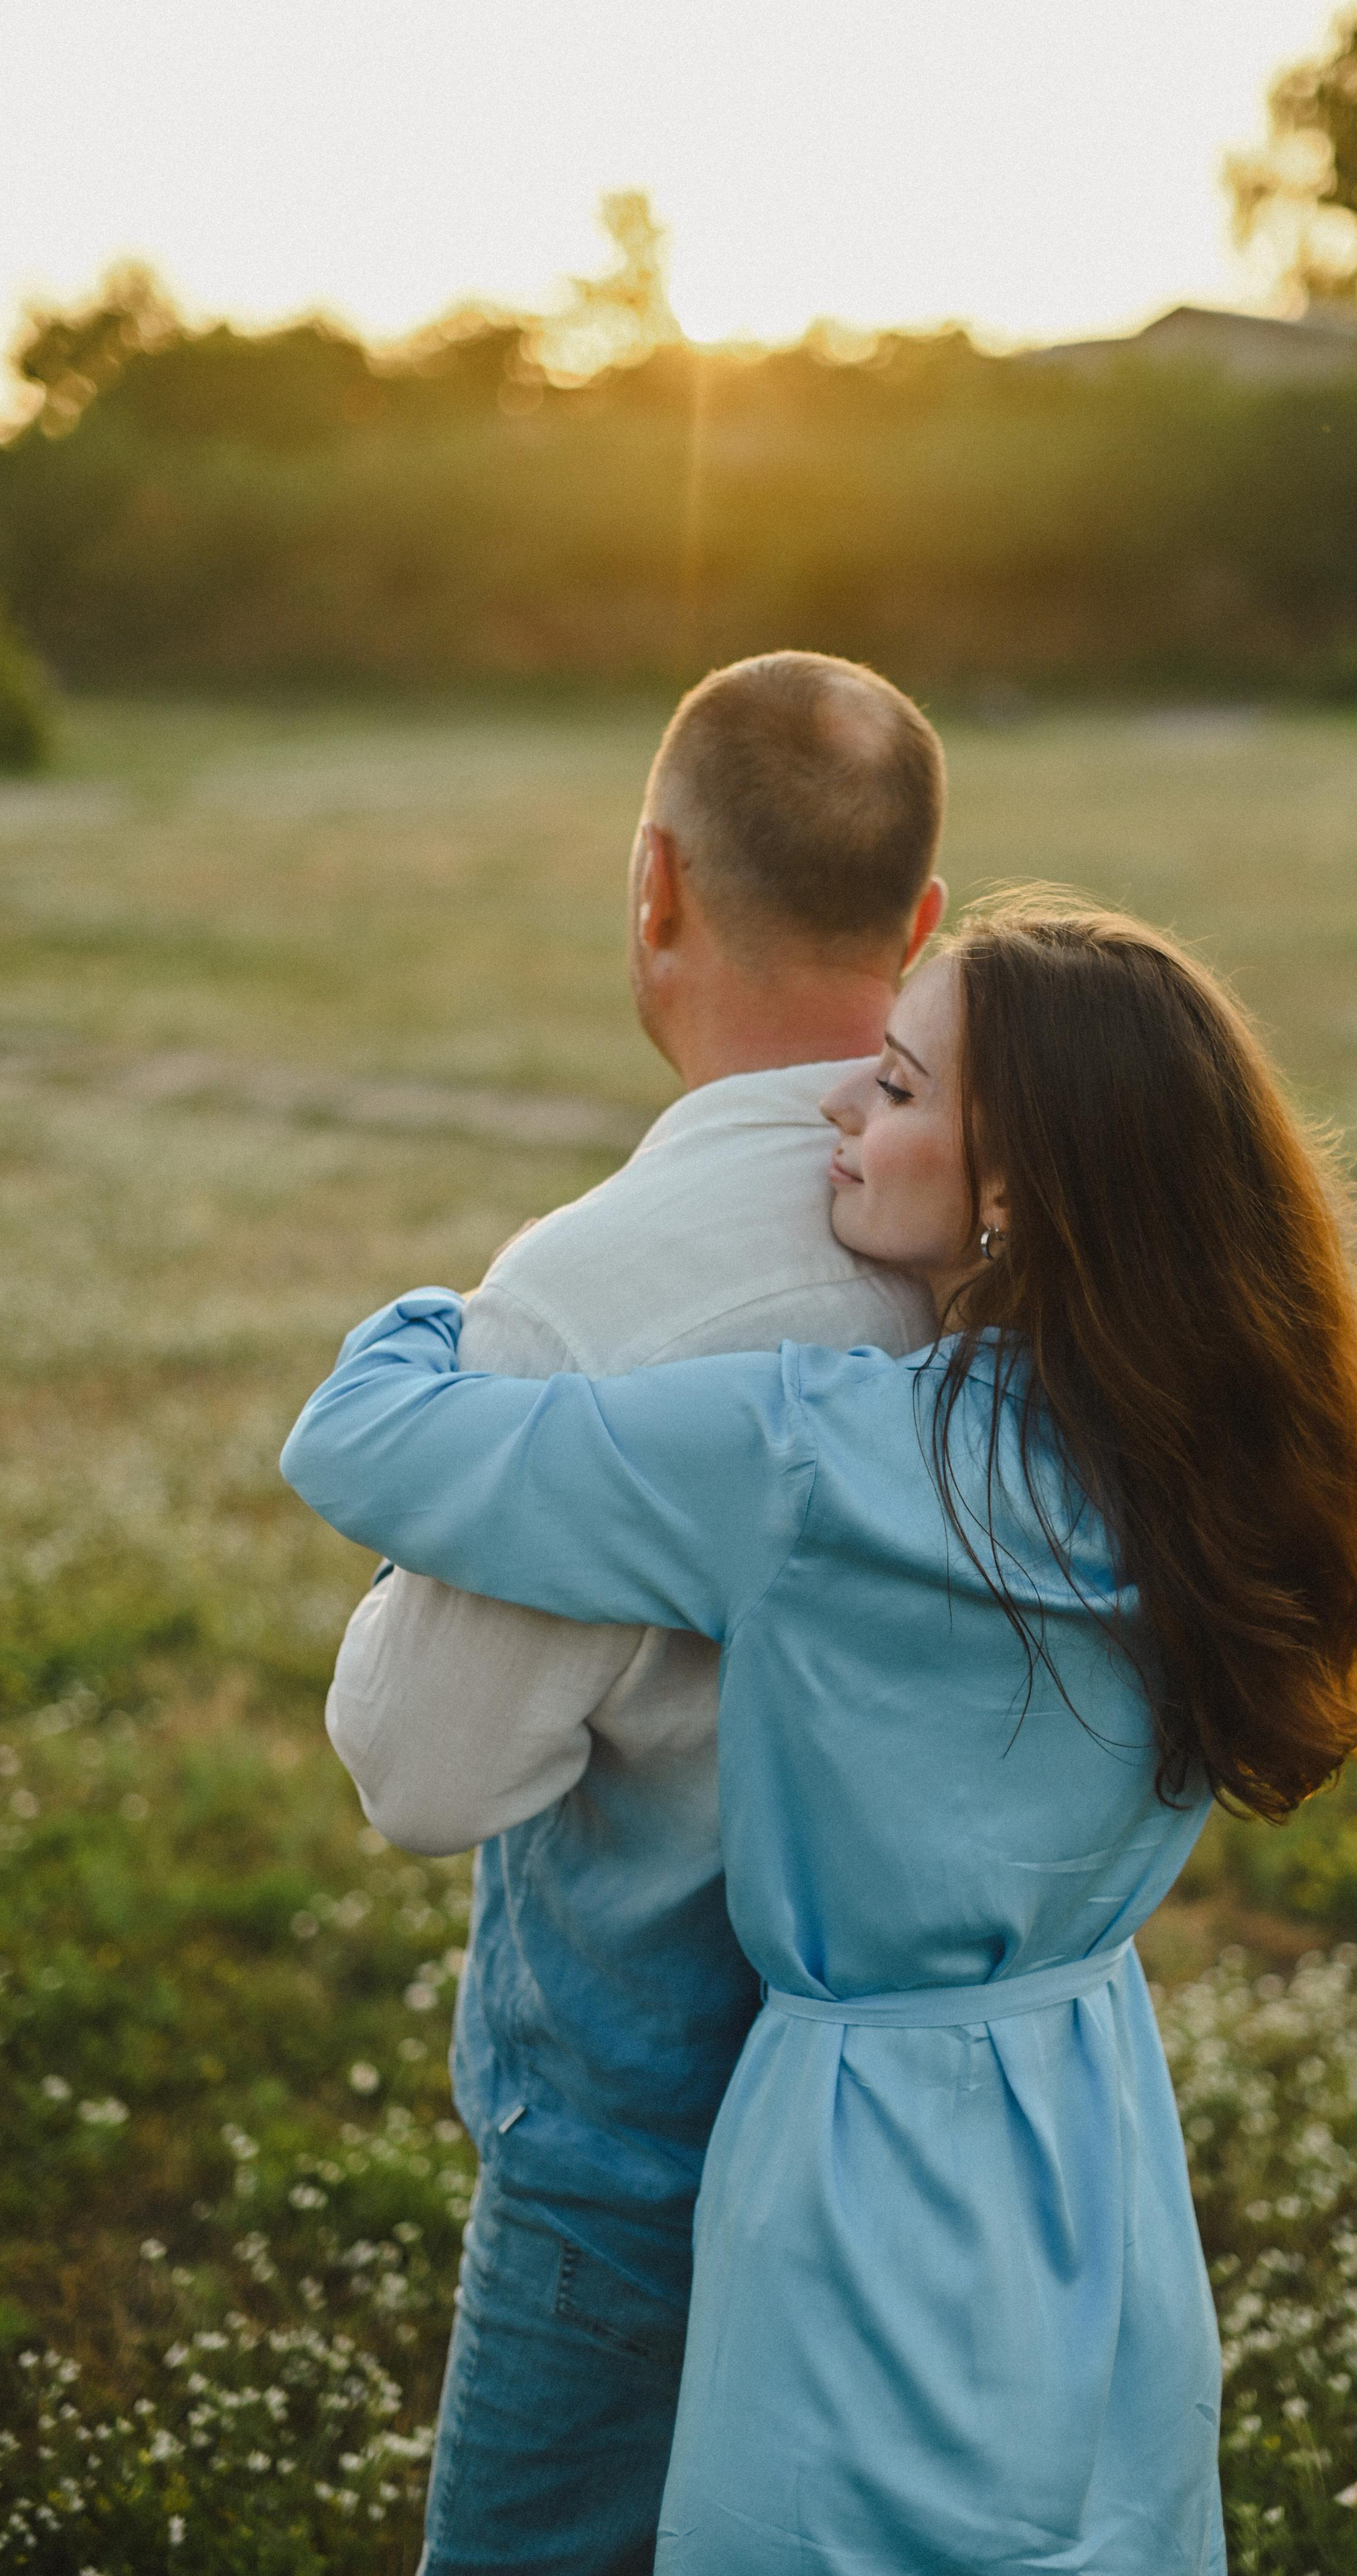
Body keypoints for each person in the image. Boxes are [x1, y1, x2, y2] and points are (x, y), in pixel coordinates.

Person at [284, 895, 1357, 2573]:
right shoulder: (1211, 1464)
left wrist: (464, 1308)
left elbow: (364, 1444)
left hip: (848, 2147)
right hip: (1091, 2127)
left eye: (894, 1089)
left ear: (1012, 1193)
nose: (838, 1108)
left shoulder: (818, 1458)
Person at [323, 650, 947, 2574]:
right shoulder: (1041, 1241)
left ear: (654, 885)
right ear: (924, 921)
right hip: (949, 2148)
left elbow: (423, 1770)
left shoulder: (587, 1301)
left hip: (636, 2169)